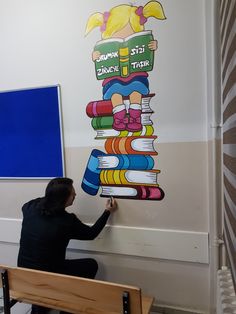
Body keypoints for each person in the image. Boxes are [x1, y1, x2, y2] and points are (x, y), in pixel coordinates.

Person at [17, 177, 118, 314]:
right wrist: (107, 212)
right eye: (72, 193)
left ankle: (39, 308)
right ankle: (68, 309)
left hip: (24, 277)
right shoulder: (67, 221)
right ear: (62, 198)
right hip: (51, 278)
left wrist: (51, 196)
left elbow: (34, 204)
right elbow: (91, 233)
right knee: (91, 265)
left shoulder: (30, 208)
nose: (75, 194)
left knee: (45, 266)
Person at [85, 1, 166, 132]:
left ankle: (135, 118)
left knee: (136, 92)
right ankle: (120, 117)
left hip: (136, 76)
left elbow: (147, 53)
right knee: (115, 93)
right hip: (114, 78)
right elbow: (100, 62)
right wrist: (95, 56)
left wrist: (152, 46)